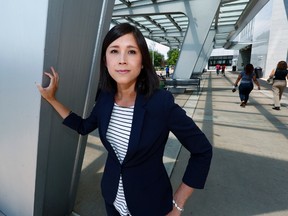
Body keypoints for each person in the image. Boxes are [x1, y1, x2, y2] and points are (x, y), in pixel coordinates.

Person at [37, 23, 212, 216]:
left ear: (143, 61)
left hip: (150, 204)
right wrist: (52, 99)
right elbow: (83, 126)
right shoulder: (105, 97)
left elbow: (202, 150)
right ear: (105, 60)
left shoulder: (160, 103)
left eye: (131, 52)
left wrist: (178, 204)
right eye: (114, 51)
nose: (122, 60)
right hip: (112, 199)